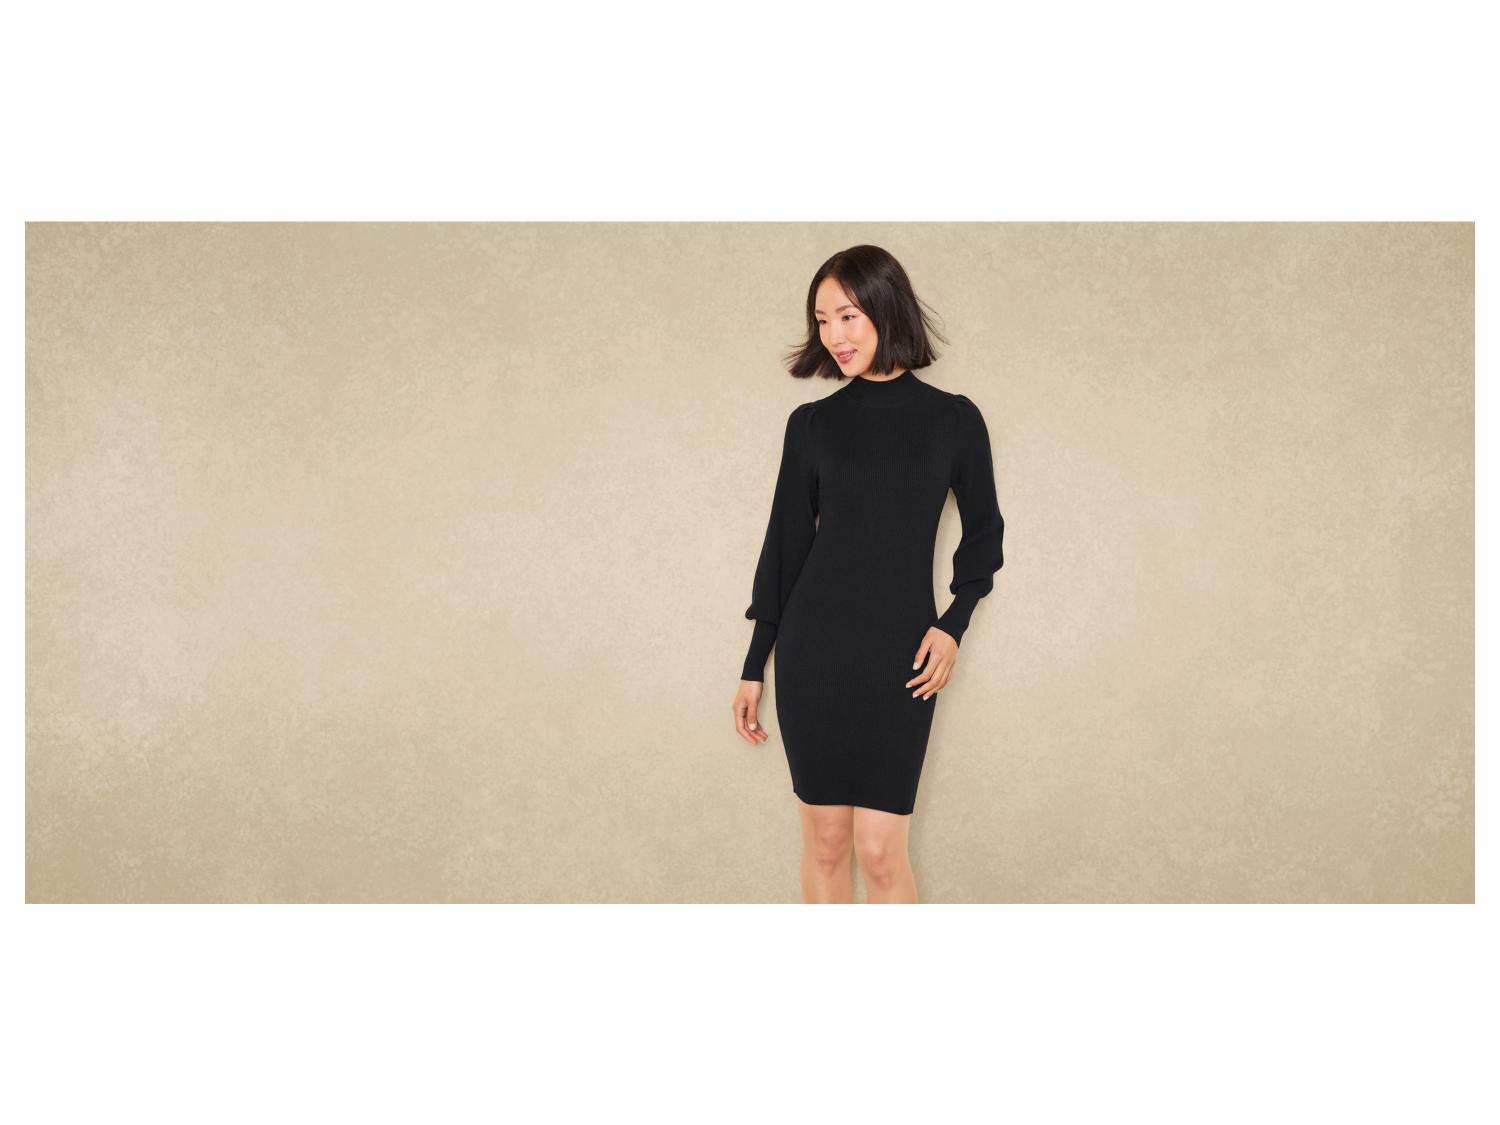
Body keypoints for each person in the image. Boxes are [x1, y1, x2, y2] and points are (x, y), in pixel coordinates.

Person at [731, 245, 1006, 904]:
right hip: (813, 654)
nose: (834, 335)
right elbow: (785, 547)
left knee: (881, 852)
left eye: (847, 316)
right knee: (827, 843)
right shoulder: (813, 425)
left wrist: (953, 625)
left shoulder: (955, 419)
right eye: (822, 320)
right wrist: (754, 663)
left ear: (886, 308)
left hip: (901, 656)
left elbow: (984, 535)